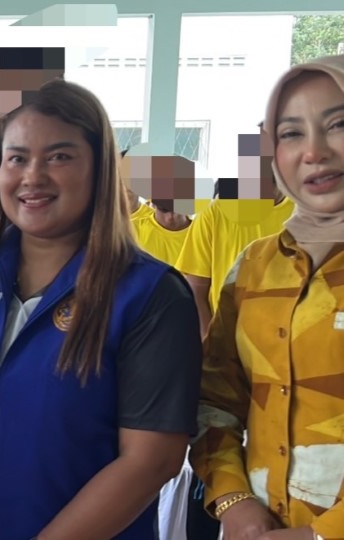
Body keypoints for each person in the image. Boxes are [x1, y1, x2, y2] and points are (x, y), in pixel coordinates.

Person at [0, 79, 203, 539]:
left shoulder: (149, 294)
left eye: (59, 157)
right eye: (17, 158)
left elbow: (152, 459)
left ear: (100, 168)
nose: (33, 176)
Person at [190, 54, 344, 540]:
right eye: (291, 133)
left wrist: (320, 535)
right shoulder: (255, 266)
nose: (314, 152)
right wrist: (232, 499)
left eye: (338, 125)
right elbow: (216, 396)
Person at [175, 126, 294, 337]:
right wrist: (210, 342)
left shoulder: (308, 213)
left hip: (290, 341)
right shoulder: (216, 211)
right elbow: (195, 289)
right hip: (230, 339)